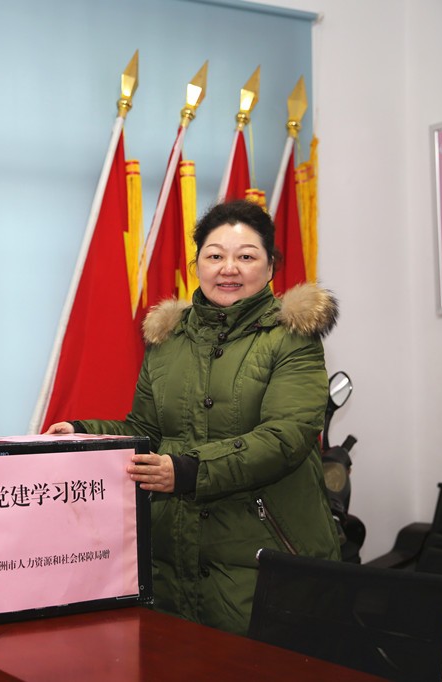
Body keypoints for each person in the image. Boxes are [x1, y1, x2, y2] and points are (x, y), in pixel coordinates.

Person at [46, 199, 341, 636]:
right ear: (196, 264)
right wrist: (83, 433)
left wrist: (187, 471)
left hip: (263, 562)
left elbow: (285, 438)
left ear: (270, 266)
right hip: (173, 561)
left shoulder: (292, 338)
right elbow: (145, 431)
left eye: (246, 257)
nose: (229, 268)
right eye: (215, 255)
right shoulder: (168, 341)